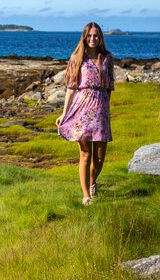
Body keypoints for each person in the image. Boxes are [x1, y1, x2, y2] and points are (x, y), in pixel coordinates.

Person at [55, 22, 114, 205]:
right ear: (84, 37)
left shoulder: (107, 58)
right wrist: (64, 114)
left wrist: (105, 107)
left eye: (96, 36)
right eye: (89, 36)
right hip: (81, 108)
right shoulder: (77, 58)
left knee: (99, 157)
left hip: (101, 109)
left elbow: (109, 86)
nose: (93, 39)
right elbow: (71, 88)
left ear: (100, 37)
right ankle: (86, 195)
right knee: (85, 154)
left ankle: (92, 181)